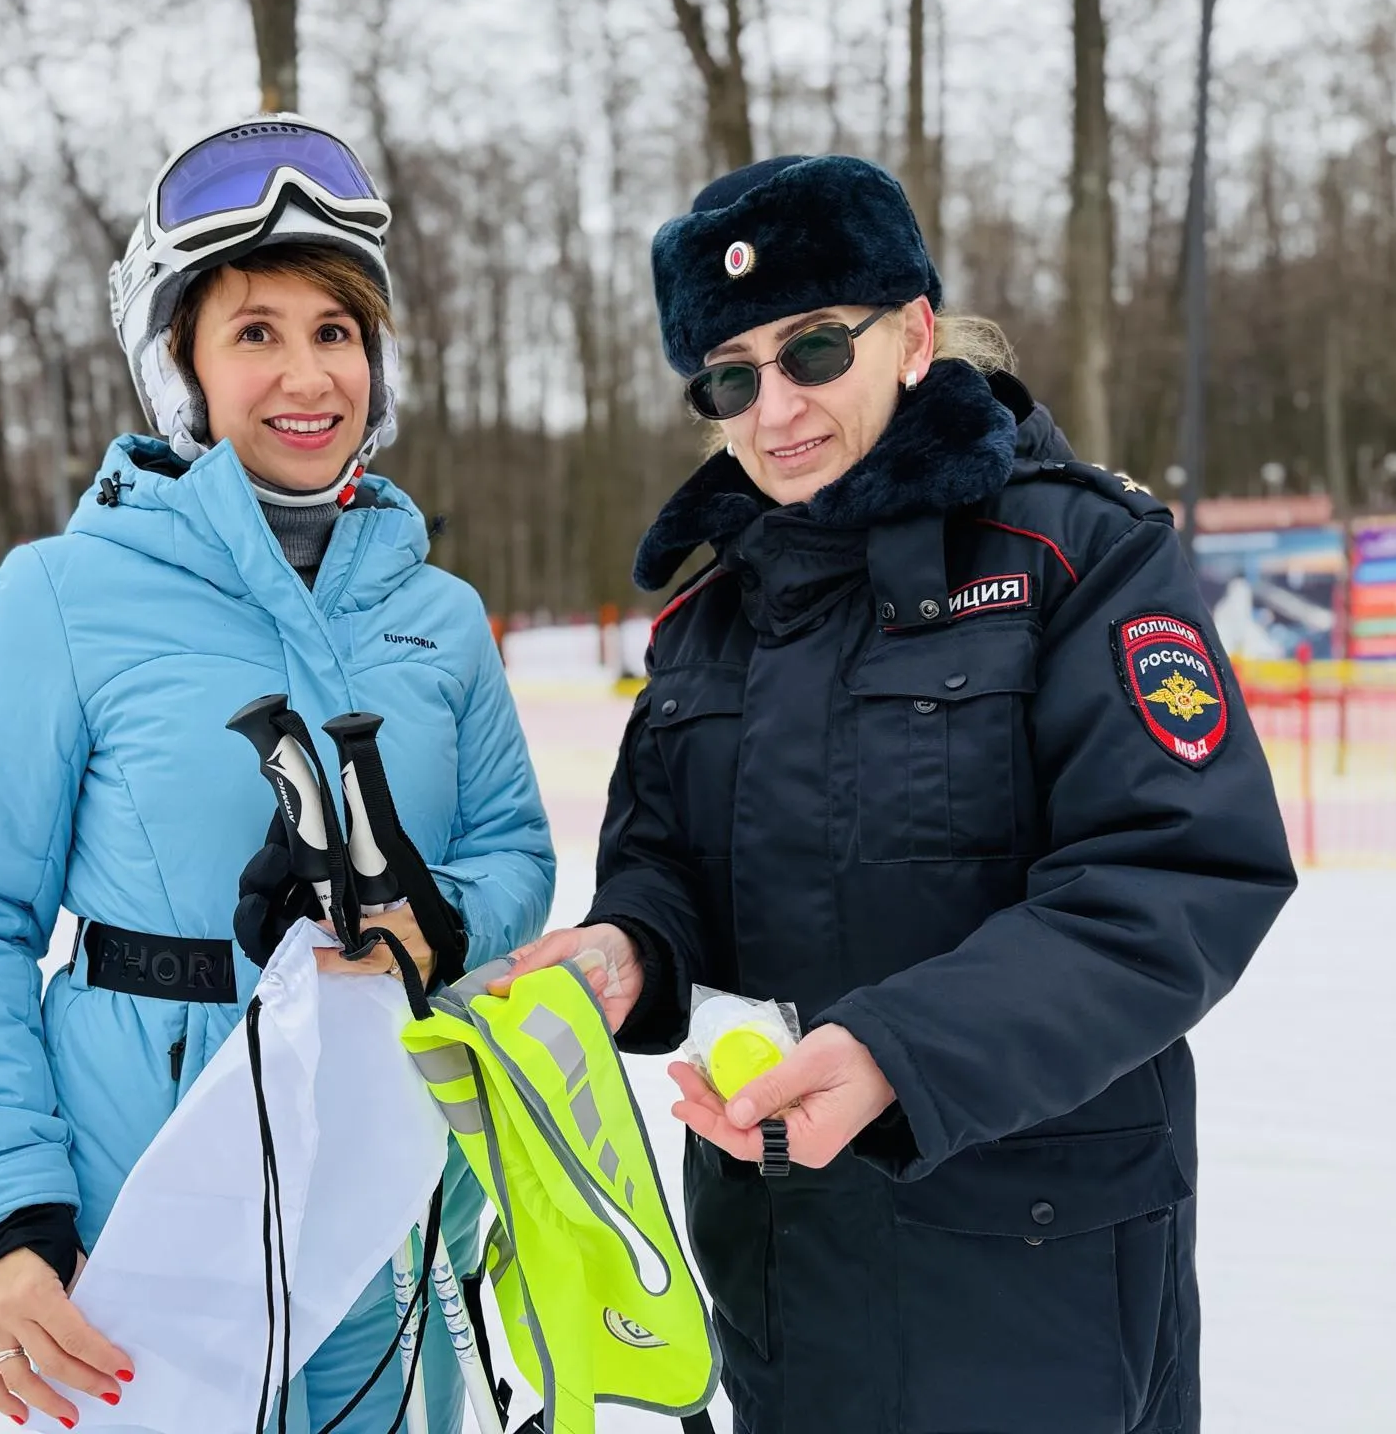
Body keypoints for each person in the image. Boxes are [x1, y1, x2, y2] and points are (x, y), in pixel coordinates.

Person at [494, 154, 1296, 1433]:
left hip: (1042, 1284)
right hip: (786, 1282)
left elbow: (1175, 876)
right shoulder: (706, 622)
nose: (776, 409)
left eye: (814, 350)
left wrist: (896, 1055)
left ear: (915, 332)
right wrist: (626, 953)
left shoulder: (1077, 556)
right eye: (733, 377)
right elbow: (667, 873)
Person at [0, 115, 554, 1433]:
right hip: (143, 1230)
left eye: (335, 330)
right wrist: (14, 1219)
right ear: (182, 368)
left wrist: (445, 915)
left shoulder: (441, 612)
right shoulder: (65, 597)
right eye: (255, 331)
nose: (306, 374)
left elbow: (517, 853)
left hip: (386, 1204)